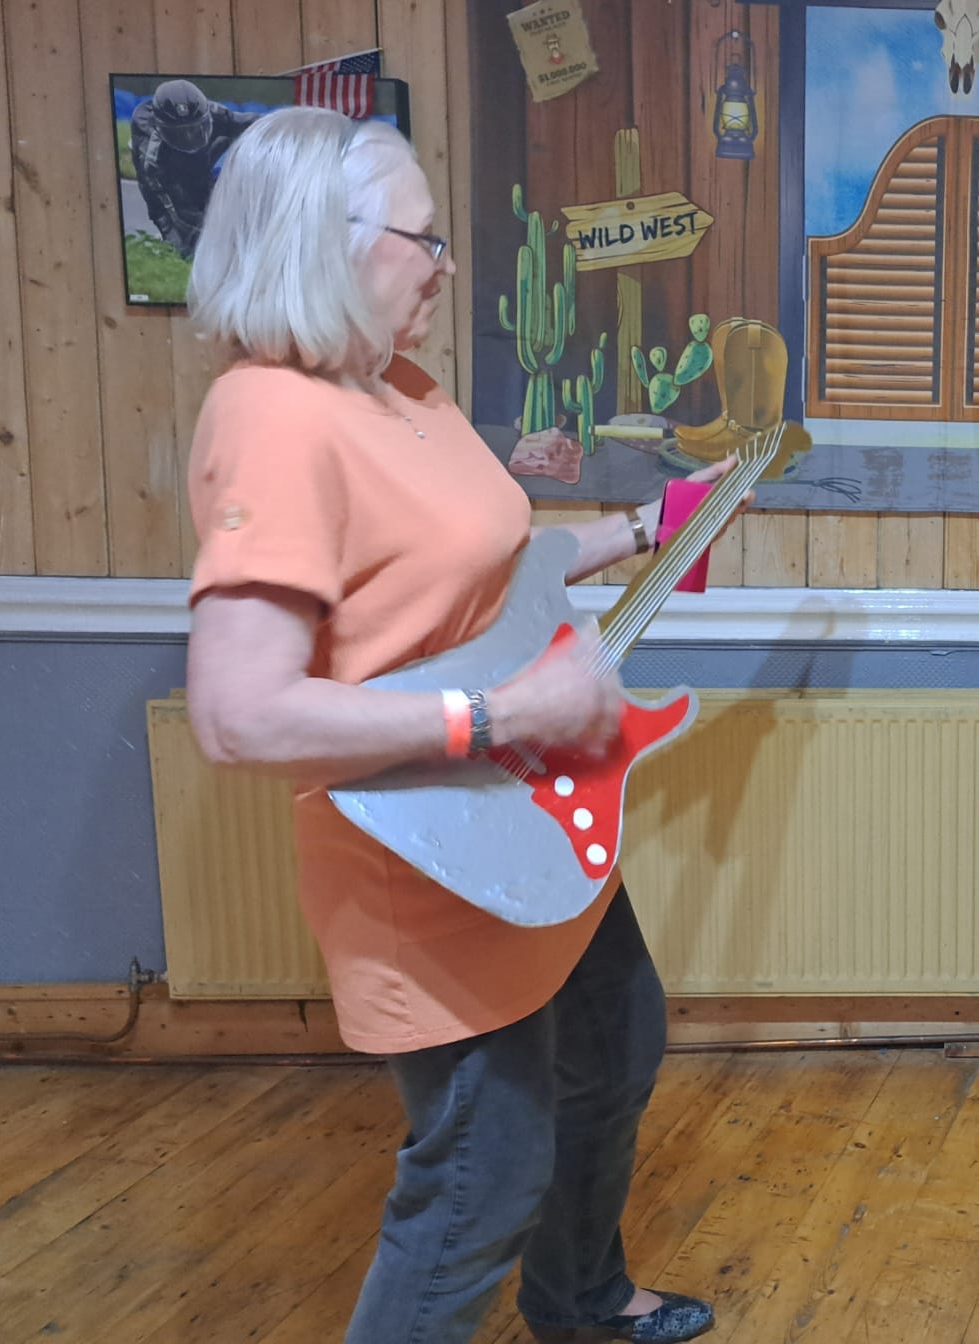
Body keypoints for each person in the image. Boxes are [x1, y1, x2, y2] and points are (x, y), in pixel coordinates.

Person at [181, 105, 730, 1343]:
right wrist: (503, 713)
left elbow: (483, 563)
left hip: (525, 808)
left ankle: (581, 1302)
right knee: (484, 1172)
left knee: (615, 1040)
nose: (444, 266)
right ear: (326, 243)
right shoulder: (273, 419)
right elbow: (239, 713)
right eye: (422, 240)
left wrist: (645, 530)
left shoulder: (398, 385)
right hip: (429, 855)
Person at [129, 79, 257, 257]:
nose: (189, 138)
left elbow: (251, 122)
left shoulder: (215, 113)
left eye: (196, 129)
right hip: (170, 171)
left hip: (203, 159)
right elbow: (174, 211)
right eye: (179, 133)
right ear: (161, 130)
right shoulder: (151, 156)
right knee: (187, 245)